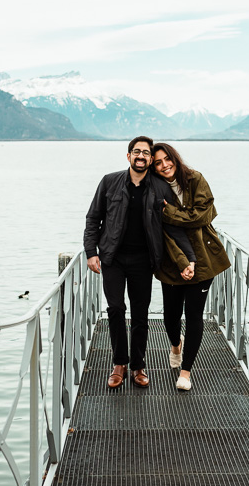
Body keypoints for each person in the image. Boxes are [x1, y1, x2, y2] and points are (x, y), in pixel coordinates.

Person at [84, 136, 196, 390]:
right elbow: (93, 218)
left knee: (140, 314)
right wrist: (91, 251)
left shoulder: (159, 187)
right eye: (137, 152)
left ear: (149, 159)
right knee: (115, 309)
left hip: (143, 260)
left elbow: (174, 227)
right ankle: (119, 364)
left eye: (146, 153)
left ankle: (138, 366)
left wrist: (189, 257)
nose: (141, 156)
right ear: (128, 156)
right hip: (112, 257)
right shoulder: (110, 181)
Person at [152, 142, 231, 391]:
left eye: (168, 159)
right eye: (158, 162)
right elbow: (164, 229)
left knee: (195, 315)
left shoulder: (195, 179)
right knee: (170, 316)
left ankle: (186, 372)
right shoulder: (156, 188)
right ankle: (176, 344)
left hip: (204, 256)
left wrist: (170, 214)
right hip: (172, 258)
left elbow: (202, 216)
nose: (164, 166)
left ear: (175, 158)